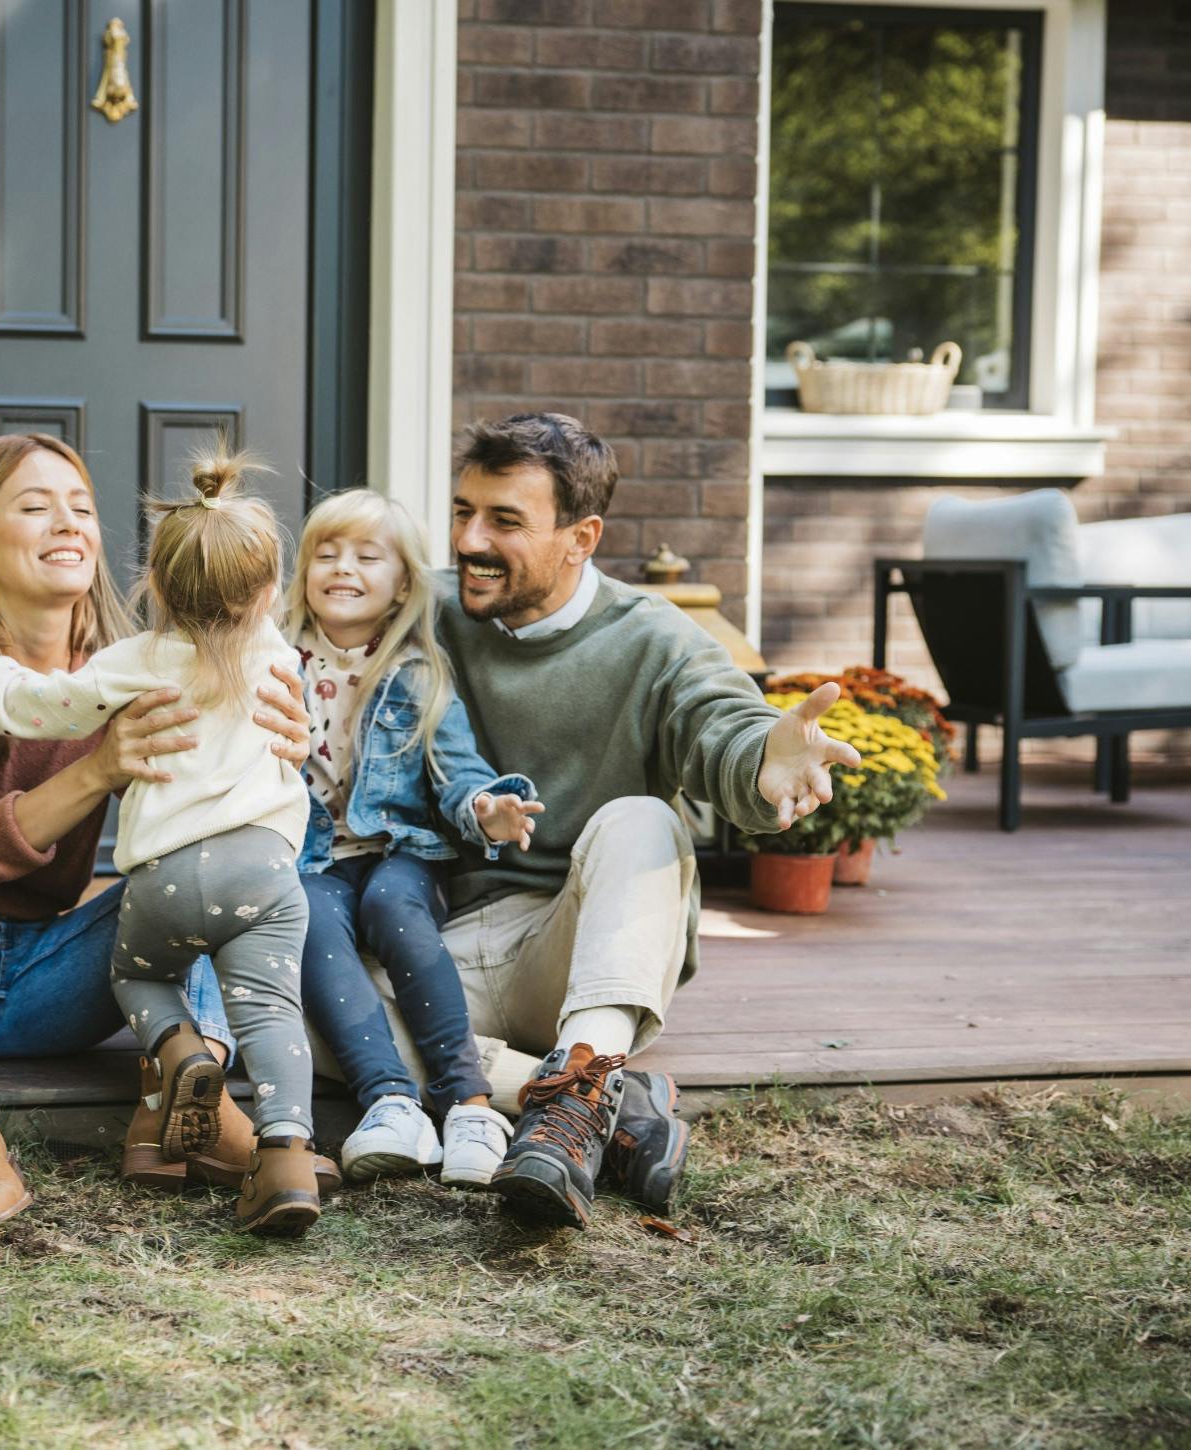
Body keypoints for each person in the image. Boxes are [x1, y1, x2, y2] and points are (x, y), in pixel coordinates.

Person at [333, 412, 859, 1231]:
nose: (469, 539)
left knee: (644, 821)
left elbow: (721, 725)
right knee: (309, 998)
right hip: (428, 947)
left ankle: (580, 1076)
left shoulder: (651, 639)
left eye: (505, 521)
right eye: (463, 511)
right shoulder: (415, 610)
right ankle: (605, 1101)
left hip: (572, 950)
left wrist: (766, 759)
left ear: (580, 538)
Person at [0, 434, 317, 1240]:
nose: (67, 523)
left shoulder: (147, 661)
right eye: (34, 506)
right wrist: (99, 767)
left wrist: (289, 736)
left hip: (51, 976)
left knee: (217, 867)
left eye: (80, 506)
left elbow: (269, 772)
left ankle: (191, 1087)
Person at [0, 453, 325, 1235]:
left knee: (140, 978)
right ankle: (287, 1157)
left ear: (155, 589)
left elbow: (44, 709)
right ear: (268, 594)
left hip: (164, 878)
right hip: (263, 873)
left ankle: (178, 1051)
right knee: (269, 1013)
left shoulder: (136, 663)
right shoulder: (277, 655)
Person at [283, 489, 544, 1190]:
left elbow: (459, 775)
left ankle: (469, 1104)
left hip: (402, 852)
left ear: (402, 586)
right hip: (310, 858)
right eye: (326, 554)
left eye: (367, 557)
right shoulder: (271, 665)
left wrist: (489, 808)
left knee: (393, 910)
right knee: (307, 917)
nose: (343, 568)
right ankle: (390, 1102)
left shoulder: (418, 676)